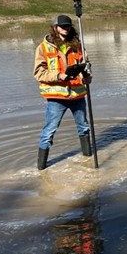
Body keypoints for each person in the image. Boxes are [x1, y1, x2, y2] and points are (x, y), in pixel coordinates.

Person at [33, 14, 92, 170]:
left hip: (77, 95)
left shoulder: (78, 45)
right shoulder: (43, 47)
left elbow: (86, 66)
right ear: (54, 28)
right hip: (56, 98)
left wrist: (87, 76)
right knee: (48, 133)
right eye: (62, 26)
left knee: (84, 128)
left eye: (68, 26)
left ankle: (88, 160)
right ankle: (41, 168)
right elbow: (39, 73)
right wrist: (60, 76)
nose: (66, 29)